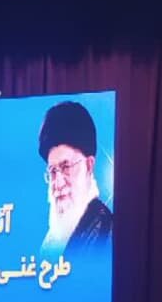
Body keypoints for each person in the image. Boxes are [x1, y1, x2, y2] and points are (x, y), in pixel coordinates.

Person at [38, 101, 112, 259]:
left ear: (89, 165)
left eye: (66, 167)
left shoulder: (106, 232)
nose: (58, 183)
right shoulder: (52, 240)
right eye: (53, 171)